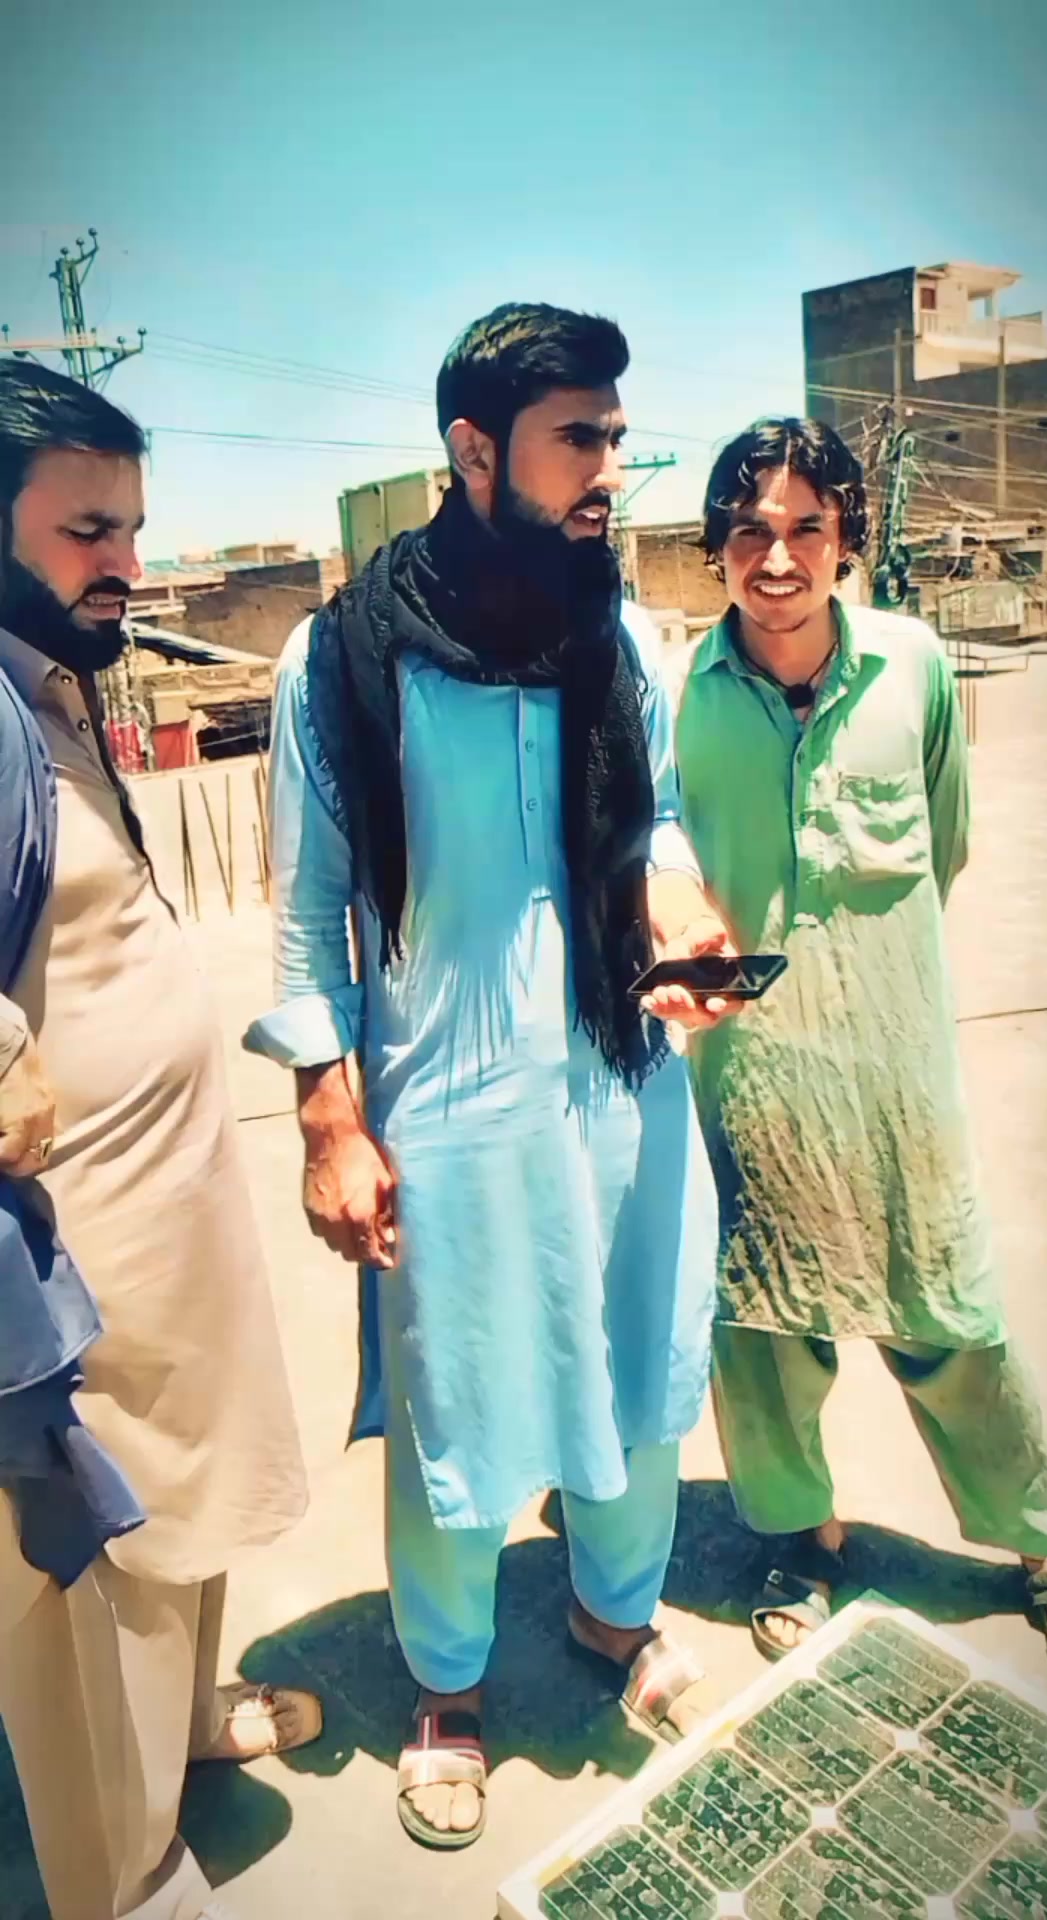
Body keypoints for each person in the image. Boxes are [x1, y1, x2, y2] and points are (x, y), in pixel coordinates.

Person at [245, 303, 732, 1849]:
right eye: (578, 437)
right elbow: (310, 909)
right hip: (447, 1104)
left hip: (621, 1078)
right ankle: (447, 1685)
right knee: (454, 1402)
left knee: (638, 1365)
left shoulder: (621, 634)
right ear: (473, 449)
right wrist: (330, 1116)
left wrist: (679, 902)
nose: (611, 469)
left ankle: (615, 1610)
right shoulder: (343, 655)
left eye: (615, 435)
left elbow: (652, 821)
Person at [674, 414, 1047, 1696]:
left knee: (951, 1317)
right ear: (716, 546)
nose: (778, 558)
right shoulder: (681, 694)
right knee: (761, 1323)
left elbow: (944, 843)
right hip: (749, 1078)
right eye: (751, 531)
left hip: (897, 1066)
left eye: (808, 528)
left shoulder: (914, 666)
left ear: (846, 538)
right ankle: (800, 1540)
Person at [0, 359, 321, 1920]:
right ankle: (122, 1879)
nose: (123, 561)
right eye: (87, 531)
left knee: (184, 1513)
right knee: (92, 1581)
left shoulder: (47, 685)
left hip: (162, 1221)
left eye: (131, 526)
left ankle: (188, 1737)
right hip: (71, 1269)